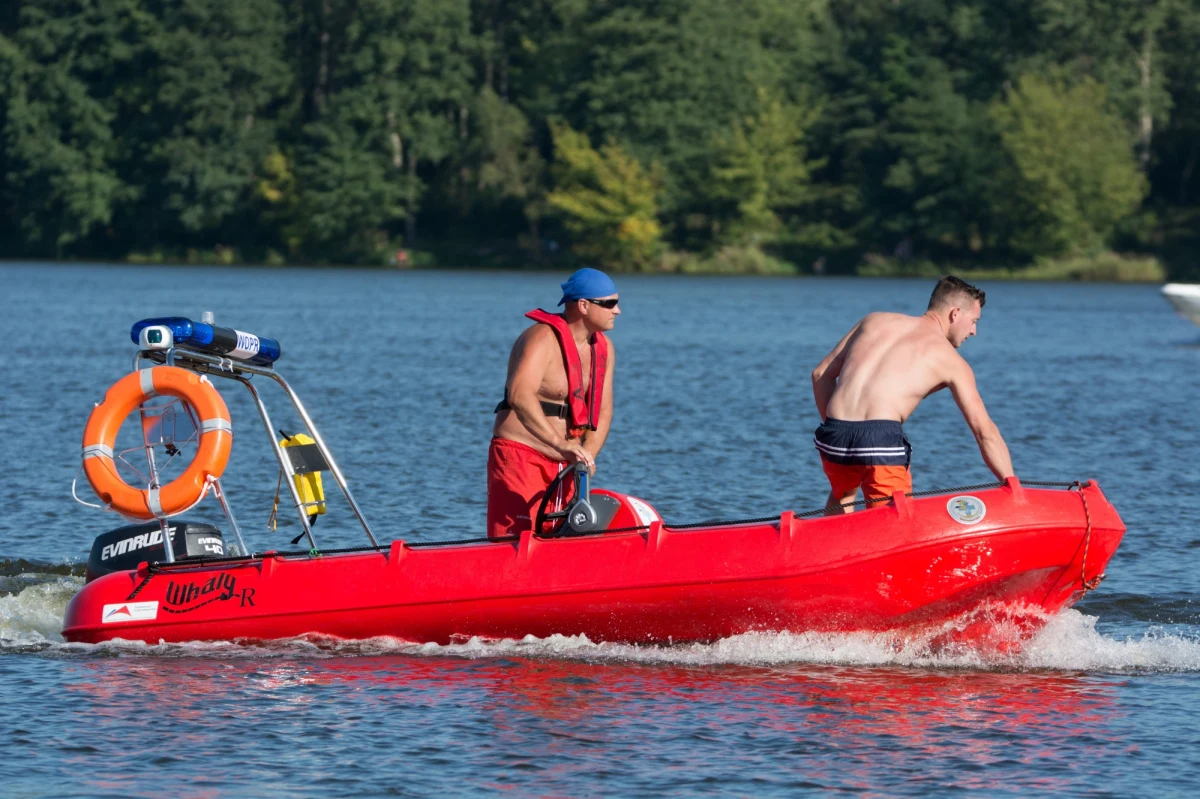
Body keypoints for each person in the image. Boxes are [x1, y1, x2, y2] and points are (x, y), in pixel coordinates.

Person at [810, 275, 1014, 512]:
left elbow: (820, 374)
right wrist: (1013, 486)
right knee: (893, 521)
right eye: (974, 321)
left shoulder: (873, 320)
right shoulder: (951, 361)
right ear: (955, 313)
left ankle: (830, 543)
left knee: (844, 495)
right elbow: (983, 432)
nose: (974, 331)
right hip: (880, 441)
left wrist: (842, 433)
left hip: (834, 435)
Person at [487, 268, 619, 539]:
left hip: (567, 463)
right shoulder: (541, 338)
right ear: (583, 305)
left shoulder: (604, 347)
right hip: (523, 454)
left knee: (562, 538)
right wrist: (559, 443)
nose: (617, 311)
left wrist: (588, 454)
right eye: (609, 303)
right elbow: (519, 396)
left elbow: (603, 410)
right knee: (516, 540)